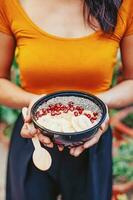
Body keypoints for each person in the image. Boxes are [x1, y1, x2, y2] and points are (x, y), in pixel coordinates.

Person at [0, 0, 133, 199]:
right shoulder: (10, 4)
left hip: (93, 141)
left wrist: (94, 108)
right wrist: (35, 103)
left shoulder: (124, 5)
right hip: (33, 139)